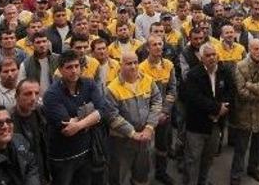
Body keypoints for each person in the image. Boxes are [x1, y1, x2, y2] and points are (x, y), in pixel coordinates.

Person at [42, 49, 112, 185]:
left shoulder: (89, 84)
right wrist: (92, 115)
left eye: (76, 66)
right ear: (60, 70)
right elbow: (66, 128)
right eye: (69, 67)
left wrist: (79, 124)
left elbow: (104, 109)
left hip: (86, 151)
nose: (74, 71)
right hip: (62, 157)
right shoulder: (52, 94)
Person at [104, 51, 163, 185]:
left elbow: (157, 102)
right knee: (119, 175)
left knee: (142, 174)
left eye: (135, 62)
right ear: (121, 65)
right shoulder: (112, 89)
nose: (133, 66)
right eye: (128, 63)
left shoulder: (148, 80)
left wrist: (149, 127)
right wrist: (132, 133)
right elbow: (112, 116)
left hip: (145, 137)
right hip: (121, 141)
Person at [180, 42, 235, 185]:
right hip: (197, 126)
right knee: (192, 159)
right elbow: (194, 98)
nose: (212, 58)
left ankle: (202, 182)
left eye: (214, 54)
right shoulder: (193, 75)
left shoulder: (225, 71)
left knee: (208, 158)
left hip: (216, 125)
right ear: (201, 58)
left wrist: (224, 108)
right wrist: (216, 109)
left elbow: (231, 92)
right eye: (208, 55)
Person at [230, 38, 259, 185]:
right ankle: (235, 175)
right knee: (241, 147)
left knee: (258, 145)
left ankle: (253, 168)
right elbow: (241, 91)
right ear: (249, 50)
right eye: (255, 49)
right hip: (244, 114)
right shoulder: (240, 66)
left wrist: (250, 85)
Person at [137, 35, 177, 185]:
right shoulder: (141, 68)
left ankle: (161, 172)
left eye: (160, 44)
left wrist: (165, 111)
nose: (158, 47)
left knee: (162, 146)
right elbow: (141, 96)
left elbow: (172, 90)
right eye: (154, 44)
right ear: (148, 48)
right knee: (145, 148)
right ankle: (142, 178)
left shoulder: (169, 65)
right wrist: (154, 115)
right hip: (147, 116)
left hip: (164, 115)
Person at [12, 79, 50, 184]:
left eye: (36, 93)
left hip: (43, 171)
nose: (33, 98)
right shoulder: (8, 122)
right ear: (17, 96)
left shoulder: (41, 113)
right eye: (28, 94)